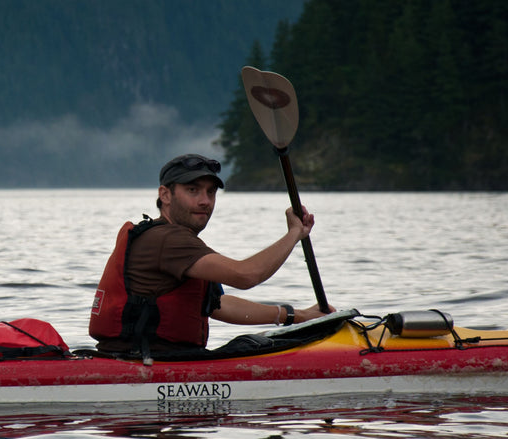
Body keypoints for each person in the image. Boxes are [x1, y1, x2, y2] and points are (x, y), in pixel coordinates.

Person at [89, 153, 332, 358]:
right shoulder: (167, 240)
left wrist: (299, 317)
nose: (205, 201)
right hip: (147, 364)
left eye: (211, 192)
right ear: (165, 195)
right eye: (192, 190)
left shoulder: (179, 242)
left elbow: (218, 305)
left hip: (159, 358)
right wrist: (294, 234)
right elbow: (246, 275)